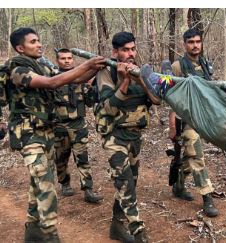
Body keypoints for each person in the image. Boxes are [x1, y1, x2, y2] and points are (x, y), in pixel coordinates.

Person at [7, 27, 105, 242]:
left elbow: (72, 79)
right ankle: (51, 235)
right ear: (20, 48)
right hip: (28, 135)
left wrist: (97, 67)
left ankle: (32, 231)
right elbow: (53, 83)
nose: (39, 44)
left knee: (38, 182)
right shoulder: (18, 68)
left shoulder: (41, 65)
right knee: (46, 184)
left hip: (45, 132)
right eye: (33, 42)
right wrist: (87, 64)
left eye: (39, 40)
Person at [95, 31, 160, 243]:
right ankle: (139, 233)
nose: (131, 54)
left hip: (134, 136)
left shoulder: (142, 71)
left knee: (129, 182)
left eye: (133, 49)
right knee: (126, 185)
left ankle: (116, 225)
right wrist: (123, 80)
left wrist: (140, 79)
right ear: (115, 52)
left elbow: (157, 100)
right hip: (114, 137)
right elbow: (108, 108)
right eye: (125, 50)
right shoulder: (106, 72)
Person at [168, 28, 219, 217]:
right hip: (185, 118)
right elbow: (171, 97)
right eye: (191, 42)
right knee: (197, 155)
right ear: (185, 44)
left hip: (203, 118)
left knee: (190, 156)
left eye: (198, 41)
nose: (195, 45)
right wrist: (172, 124)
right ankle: (207, 198)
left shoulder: (206, 64)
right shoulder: (177, 67)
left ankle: (179, 186)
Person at [53, 48, 103, 203]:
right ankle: (65, 183)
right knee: (61, 158)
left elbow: (89, 102)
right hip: (58, 126)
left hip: (78, 124)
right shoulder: (52, 78)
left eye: (69, 58)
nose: (67, 61)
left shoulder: (80, 78)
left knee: (82, 157)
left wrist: (90, 87)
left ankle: (88, 189)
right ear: (57, 60)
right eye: (63, 58)